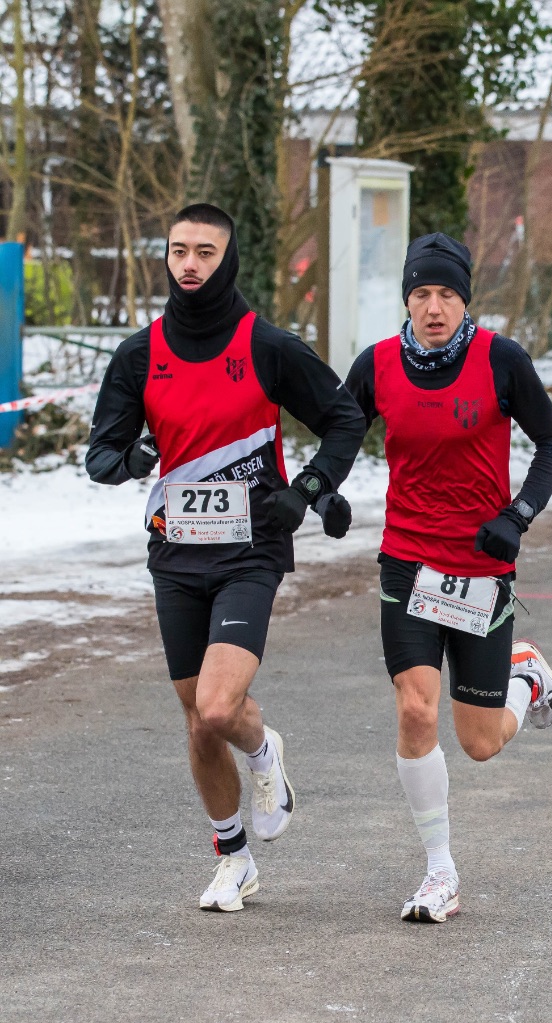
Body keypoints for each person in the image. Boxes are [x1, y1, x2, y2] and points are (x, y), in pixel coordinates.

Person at [85, 203, 365, 911]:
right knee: (196, 716)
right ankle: (233, 858)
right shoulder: (140, 354)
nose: (189, 263)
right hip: (175, 551)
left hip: (250, 548)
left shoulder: (267, 345)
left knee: (216, 705)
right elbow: (100, 455)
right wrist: (130, 459)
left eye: (205, 251)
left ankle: (264, 750)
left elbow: (344, 418)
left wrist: (308, 489)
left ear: (228, 257)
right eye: (179, 249)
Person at [344, 233, 552, 922]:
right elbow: (339, 430)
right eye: (421, 294)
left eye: (446, 294)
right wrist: (321, 488)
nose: (434, 308)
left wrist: (518, 515)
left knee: (479, 742)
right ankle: (440, 871)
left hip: (480, 566)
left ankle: (526, 679)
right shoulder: (377, 364)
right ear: (406, 299)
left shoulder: (501, 359)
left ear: (465, 299)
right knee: (415, 708)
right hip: (407, 562)